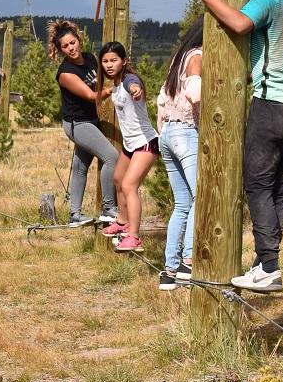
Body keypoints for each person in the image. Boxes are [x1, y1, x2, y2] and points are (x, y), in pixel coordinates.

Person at [198, 0, 283, 292]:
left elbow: (239, 24)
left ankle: (268, 266)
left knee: (258, 185)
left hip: (276, 101)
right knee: (277, 188)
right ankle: (264, 262)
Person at [49, 19, 118, 226]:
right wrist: (111, 90)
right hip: (77, 124)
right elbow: (90, 95)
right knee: (112, 158)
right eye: (65, 46)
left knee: (80, 167)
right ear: (60, 50)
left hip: (90, 121)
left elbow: (108, 69)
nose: (71, 48)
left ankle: (74, 215)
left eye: (73, 42)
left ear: (79, 39)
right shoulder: (66, 73)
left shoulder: (89, 58)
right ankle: (109, 207)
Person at [154, 18, 204, 291]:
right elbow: (195, 93)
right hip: (186, 132)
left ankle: (169, 270)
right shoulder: (197, 56)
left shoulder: (178, 58)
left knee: (181, 204)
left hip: (168, 134)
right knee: (198, 197)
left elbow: (162, 100)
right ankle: (188, 260)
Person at [96, 41, 159, 253]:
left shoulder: (128, 81)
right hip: (130, 144)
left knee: (130, 185)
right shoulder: (114, 85)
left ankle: (134, 236)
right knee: (117, 179)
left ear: (124, 61)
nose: (109, 65)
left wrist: (136, 90)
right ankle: (122, 222)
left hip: (146, 142)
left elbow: (134, 86)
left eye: (114, 60)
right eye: (105, 61)